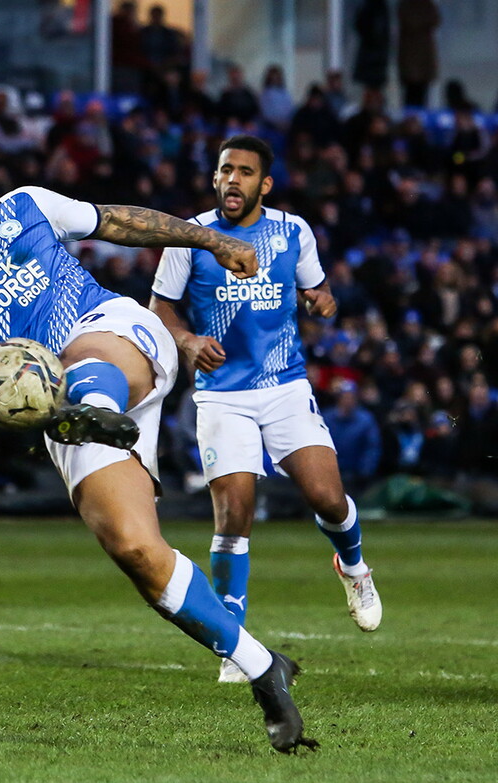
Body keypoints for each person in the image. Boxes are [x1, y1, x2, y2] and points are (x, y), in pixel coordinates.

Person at [0, 138, 318, 754]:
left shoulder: (27, 207)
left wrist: (212, 239)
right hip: (59, 405)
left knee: (77, 361)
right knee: (137, 552)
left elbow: (118, 221)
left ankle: (90, 412)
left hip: (117, 334)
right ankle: (264, 667)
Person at [150, 134, 383, 686]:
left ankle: (353, 566)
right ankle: (236, 644)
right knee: (234, 513)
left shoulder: (292, 232)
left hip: (283, 386)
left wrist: (323, 300)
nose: (233, 179)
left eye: (245, 172)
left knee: (327, 497)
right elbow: (159, 310)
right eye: (225, 170)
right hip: (221, 395)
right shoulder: (191, 238)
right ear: (214, 178)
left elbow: (317, 293)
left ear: (265, 184)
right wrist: (185, 342)